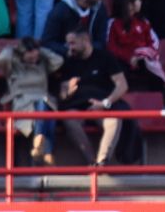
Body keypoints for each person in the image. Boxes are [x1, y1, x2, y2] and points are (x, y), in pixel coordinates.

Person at [52, 28, 130, 166]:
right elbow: (62, 95)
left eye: (73, 43)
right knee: (69, 119)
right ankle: (92, 163)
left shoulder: (105, 57)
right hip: (76, 106)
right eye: (68, 44)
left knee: (114, 121)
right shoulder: (68, 61)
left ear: (85, 41)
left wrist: (105, 102)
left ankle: (102, 162)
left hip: (101, 106)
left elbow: (122, 85)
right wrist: (68, 91)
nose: (70, 48)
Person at [0, 38, 65, 165]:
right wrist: (14, 49)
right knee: (46, 109)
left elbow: (59, 60)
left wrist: (41, 51)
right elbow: (2, 58)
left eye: (36, 56)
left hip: (43, 99)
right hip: (23, 102)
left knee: (46, 107)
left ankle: (39, 142)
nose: (34, 59)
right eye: (30, 57)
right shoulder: (13, 66)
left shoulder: (42, 64)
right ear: (21, 54)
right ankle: (47, 151)